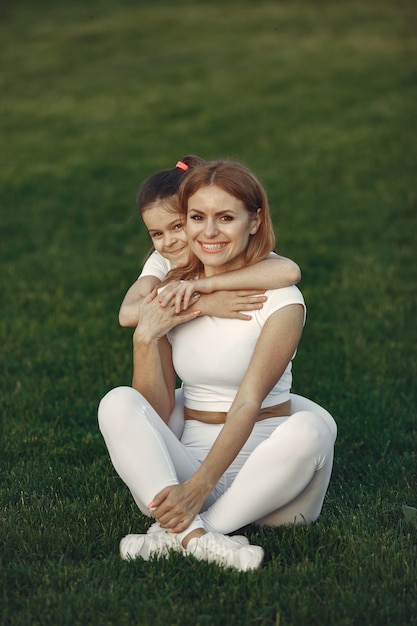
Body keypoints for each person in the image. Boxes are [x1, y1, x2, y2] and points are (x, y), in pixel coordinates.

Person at [98, 159, 337, 572]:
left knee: (314, 428)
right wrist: (145, 338)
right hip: (185, 463)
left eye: (225, 217)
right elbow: (154, 410)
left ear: (254, 221)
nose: (208, 233)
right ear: (185, 221)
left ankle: (182, 531)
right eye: (196, 218)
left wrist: (198, 488)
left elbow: (247, 403)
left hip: (270, 485)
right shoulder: (170, 291)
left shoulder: (281, 300)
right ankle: (197, 537)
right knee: (117, 401)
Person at [119, 155, 301, 328]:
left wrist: (205, 285)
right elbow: (126, 314)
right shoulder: (164, 260)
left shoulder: (219, 251)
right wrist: (203, 303)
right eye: (157, 234)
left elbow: (289, 272)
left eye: (177, 227)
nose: (169, 242)